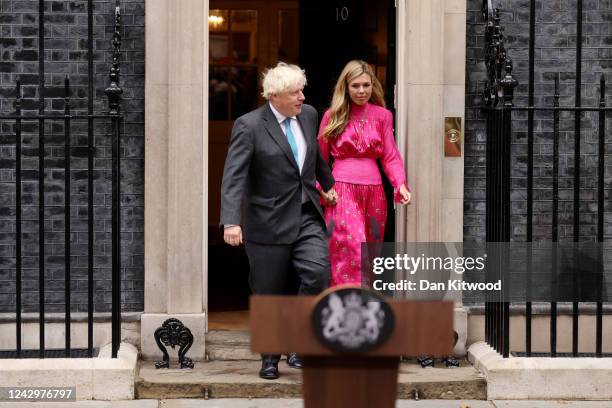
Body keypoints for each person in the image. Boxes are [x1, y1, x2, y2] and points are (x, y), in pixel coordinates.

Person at [220, 62, 337, 380]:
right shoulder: (250, 125)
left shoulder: (309, 115)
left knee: (318, 274)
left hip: (306, 214)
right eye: (295, 92)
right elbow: (234, 175)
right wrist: (231, 221)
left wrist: (327, 185)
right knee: (268, 291)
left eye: (302, 90)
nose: (302, 97)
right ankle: (270, 358)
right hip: (267, 221)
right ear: (274, 96)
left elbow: (314, 155)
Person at [318, 60, 411, 287]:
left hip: (375, 192)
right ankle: (346, 305)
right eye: (355, 86)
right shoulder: (332, 116)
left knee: (370, 252)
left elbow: (390, 155)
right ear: (346, 88)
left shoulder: (383, 116)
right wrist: (322, 189)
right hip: (341, 191)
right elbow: (318, 158)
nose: (361, 91)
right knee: (350, 249)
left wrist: (400, 184)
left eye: (366, 85)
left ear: (373, 86)